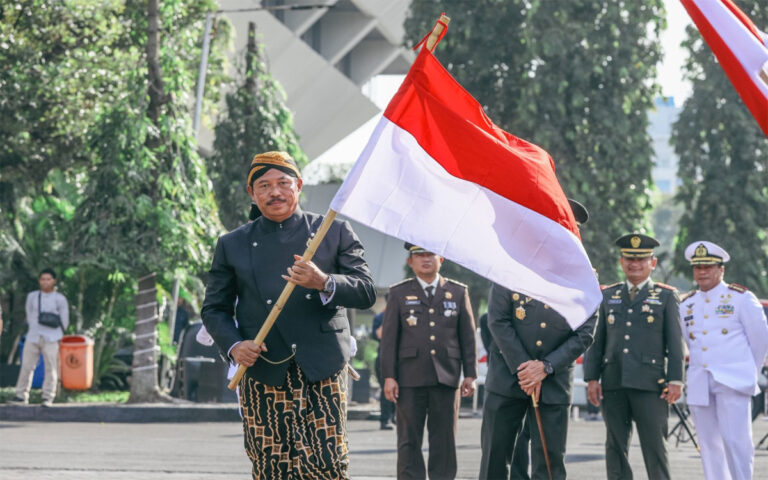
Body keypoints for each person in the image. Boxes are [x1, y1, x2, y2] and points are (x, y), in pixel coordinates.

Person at [201, 151, 376, 479]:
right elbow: (214, 308)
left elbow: (366, 290)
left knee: (327, 464)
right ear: (252, 194)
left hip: (321, 367)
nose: (275, 192)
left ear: (298, 186)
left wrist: (323, 281)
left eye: (283, 183)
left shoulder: (333, 232)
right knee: (270, 463)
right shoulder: (232, 243)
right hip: (263, 368)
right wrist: (235, 345)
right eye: (264, 186)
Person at [479, 199, 597, 480]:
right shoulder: (511, 265)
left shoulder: (583, 278)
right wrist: (525, 368)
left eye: (567, 230)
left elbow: (584, 332)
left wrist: (544, 368)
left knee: (549, 464)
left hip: (553, 382)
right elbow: (497, 320)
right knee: (495, 461)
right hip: (509, 378)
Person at [583, 233, 684, 480]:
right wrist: (591, 378)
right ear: (621, 262)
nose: (634, 264)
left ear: (653, 263)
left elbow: (675, 342)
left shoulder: (666, 296)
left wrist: (676, 380)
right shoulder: (608, 295)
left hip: (651, 385)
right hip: (614, 382)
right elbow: (597, 341)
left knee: (655, 448)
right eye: (629, 259)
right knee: (615, 448)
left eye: (641, 259)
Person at [381, 243, 477, 480]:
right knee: (408, 440)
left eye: (430, 254)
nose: (425, 259)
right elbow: (389, 340)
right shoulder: (398, 293)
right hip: (409, 377)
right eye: (419, 255)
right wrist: (389, 377)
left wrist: (470, 374)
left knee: (444, 439)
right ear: (409, 262)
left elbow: (467, 336)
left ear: (441, 259)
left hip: (446, 377)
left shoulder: (458, 292)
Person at [679, 240, 768, 480]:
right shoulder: (687, 304)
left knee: (736, 443)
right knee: (709, 447)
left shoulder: (741, 298)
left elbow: (760, 341)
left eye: (708, 266)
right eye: (698, 267)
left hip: (733, 381)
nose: (702, 272)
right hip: (700, 382)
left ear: (721, 269)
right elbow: (689, 341)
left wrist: (748, 372)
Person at [10, 268, 69, 407]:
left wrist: (58, 336)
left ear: (54, 281)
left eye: (48, 279)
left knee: (51, 368)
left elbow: (65, 320)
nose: (45, 282)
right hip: (33, 335)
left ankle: (48, 397)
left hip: (52, 337)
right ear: (39, 281)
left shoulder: (60, 298)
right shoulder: (33, 296)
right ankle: (21, 395)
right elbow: (29, 314)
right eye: (43, 279)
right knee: (26, 366)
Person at [372, 304, 396, 430]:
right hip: (384, 357)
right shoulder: (380, 317)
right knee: (386, 388)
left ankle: (394, 417)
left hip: (402, 357)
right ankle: (385, 419)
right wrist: (388, 317)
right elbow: (377, 335)